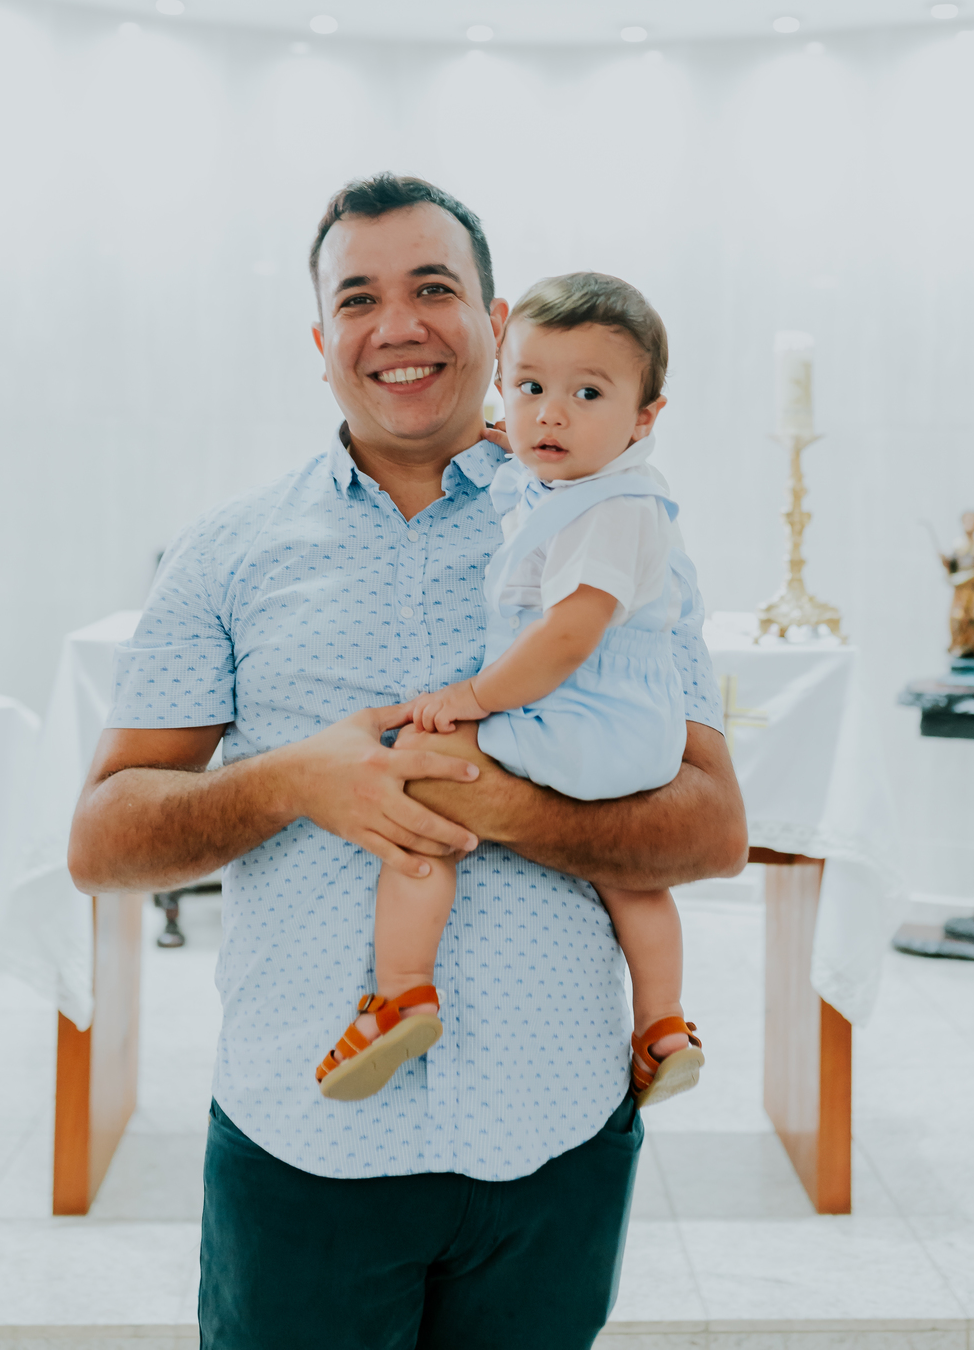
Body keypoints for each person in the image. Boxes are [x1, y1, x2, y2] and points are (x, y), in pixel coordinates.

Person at [67, 172, 747, 1350]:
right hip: (304, 1146)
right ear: (320, 340)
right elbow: (103, 842)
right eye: (358, 299)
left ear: (495, 321)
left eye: (434, 289)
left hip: (554, 1143)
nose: (398, 325)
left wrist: (504, 804)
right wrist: (294, 780)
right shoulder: (226, 552)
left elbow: (712, 829)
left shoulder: (612, 522)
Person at [317, 270, 705, 1111]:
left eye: (587, 393)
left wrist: (474, 698)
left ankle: (402, 992)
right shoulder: (575, 485)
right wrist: (508, 437)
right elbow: (529, 473)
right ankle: (663, 1026)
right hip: (629, 731)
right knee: (632, 877)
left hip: (581, 716)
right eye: (530, 388)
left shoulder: (611, 512)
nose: (550, 415)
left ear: (646, 417)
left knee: (421, 770)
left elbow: (566, 638)